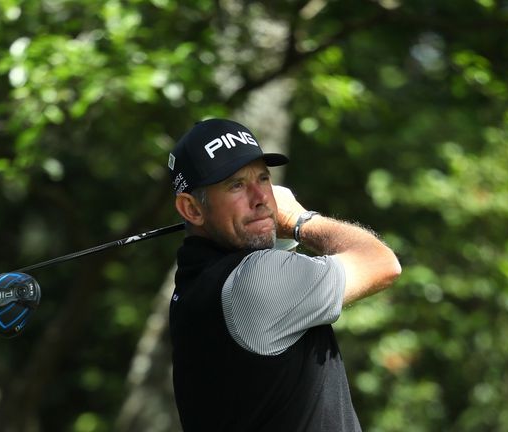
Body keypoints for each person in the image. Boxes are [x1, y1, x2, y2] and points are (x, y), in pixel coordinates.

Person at [167, 118, 402, 431]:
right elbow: (382, 263)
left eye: (263, 178)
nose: (261, 198)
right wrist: (297, 219)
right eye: (236, 185)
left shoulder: (192, 288)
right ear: (192, 209)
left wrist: (265, 225)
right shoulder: (255, 283)